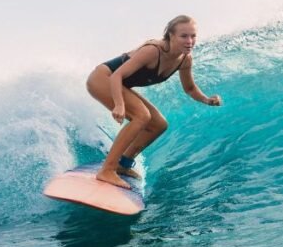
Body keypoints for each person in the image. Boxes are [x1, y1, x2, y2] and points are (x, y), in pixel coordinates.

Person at [86, 15, 222, 189]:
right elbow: (117, 75)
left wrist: (207, 100)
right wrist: (119, 105)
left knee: (159, 124)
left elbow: (190, 89)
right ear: (170, 36)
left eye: (193, 36)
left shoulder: (184, 60)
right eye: (184, 36)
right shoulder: (153, 51)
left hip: (118, 83)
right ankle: (107, 170)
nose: (190, 41)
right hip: (103, 78)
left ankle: (123, 164)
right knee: (142, 116)